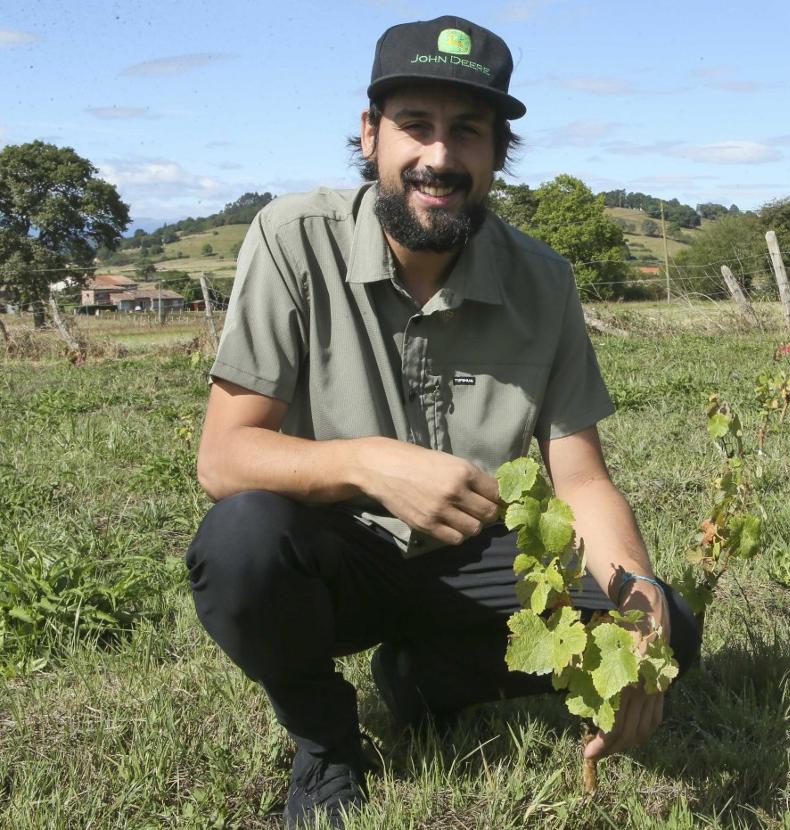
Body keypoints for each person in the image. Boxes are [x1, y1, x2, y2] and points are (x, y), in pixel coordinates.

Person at [183, 14, 700, 830]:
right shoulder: (291, 239)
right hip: (340, 555)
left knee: (672, 631)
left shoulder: (544, 281)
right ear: (371, 135)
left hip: (477, 555)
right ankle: (325, 740)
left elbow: (583, 478)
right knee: (242, 542)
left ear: (496, 152)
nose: (439, 156)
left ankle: (429, 678)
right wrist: (371, 463)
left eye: (467, 131)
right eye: (415, 126)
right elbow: (224, 457)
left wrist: (635, 598)